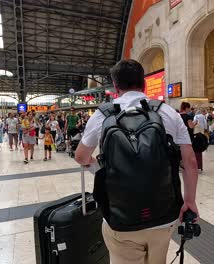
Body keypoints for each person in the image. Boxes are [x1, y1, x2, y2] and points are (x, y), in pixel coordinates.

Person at [74, 59, 198, 264]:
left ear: (115, 86)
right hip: (163, 214)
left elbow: (81, 157)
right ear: (145, 83)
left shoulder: (103, 115)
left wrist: (96, 166)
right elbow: (190, 161)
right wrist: (190, 201)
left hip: (120, 216)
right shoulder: (167, 112)